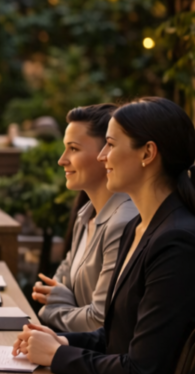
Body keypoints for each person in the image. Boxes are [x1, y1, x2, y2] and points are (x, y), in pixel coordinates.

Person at [13, 97, 195, 374]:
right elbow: (116, 334)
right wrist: (61, 338)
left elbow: (141, 370)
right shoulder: (142, 228)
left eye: (111, 144)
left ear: (147, 154)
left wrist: (61, 355)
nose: (102, 156)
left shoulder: (179, 242)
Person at [33, 104, 138, 332]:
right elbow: (56, 284)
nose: (62, 160)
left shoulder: (123, 223)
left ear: (106, 152)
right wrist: (68, 304)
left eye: (74, 149)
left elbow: (100, 321)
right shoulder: (86, 214)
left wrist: (51, 310)